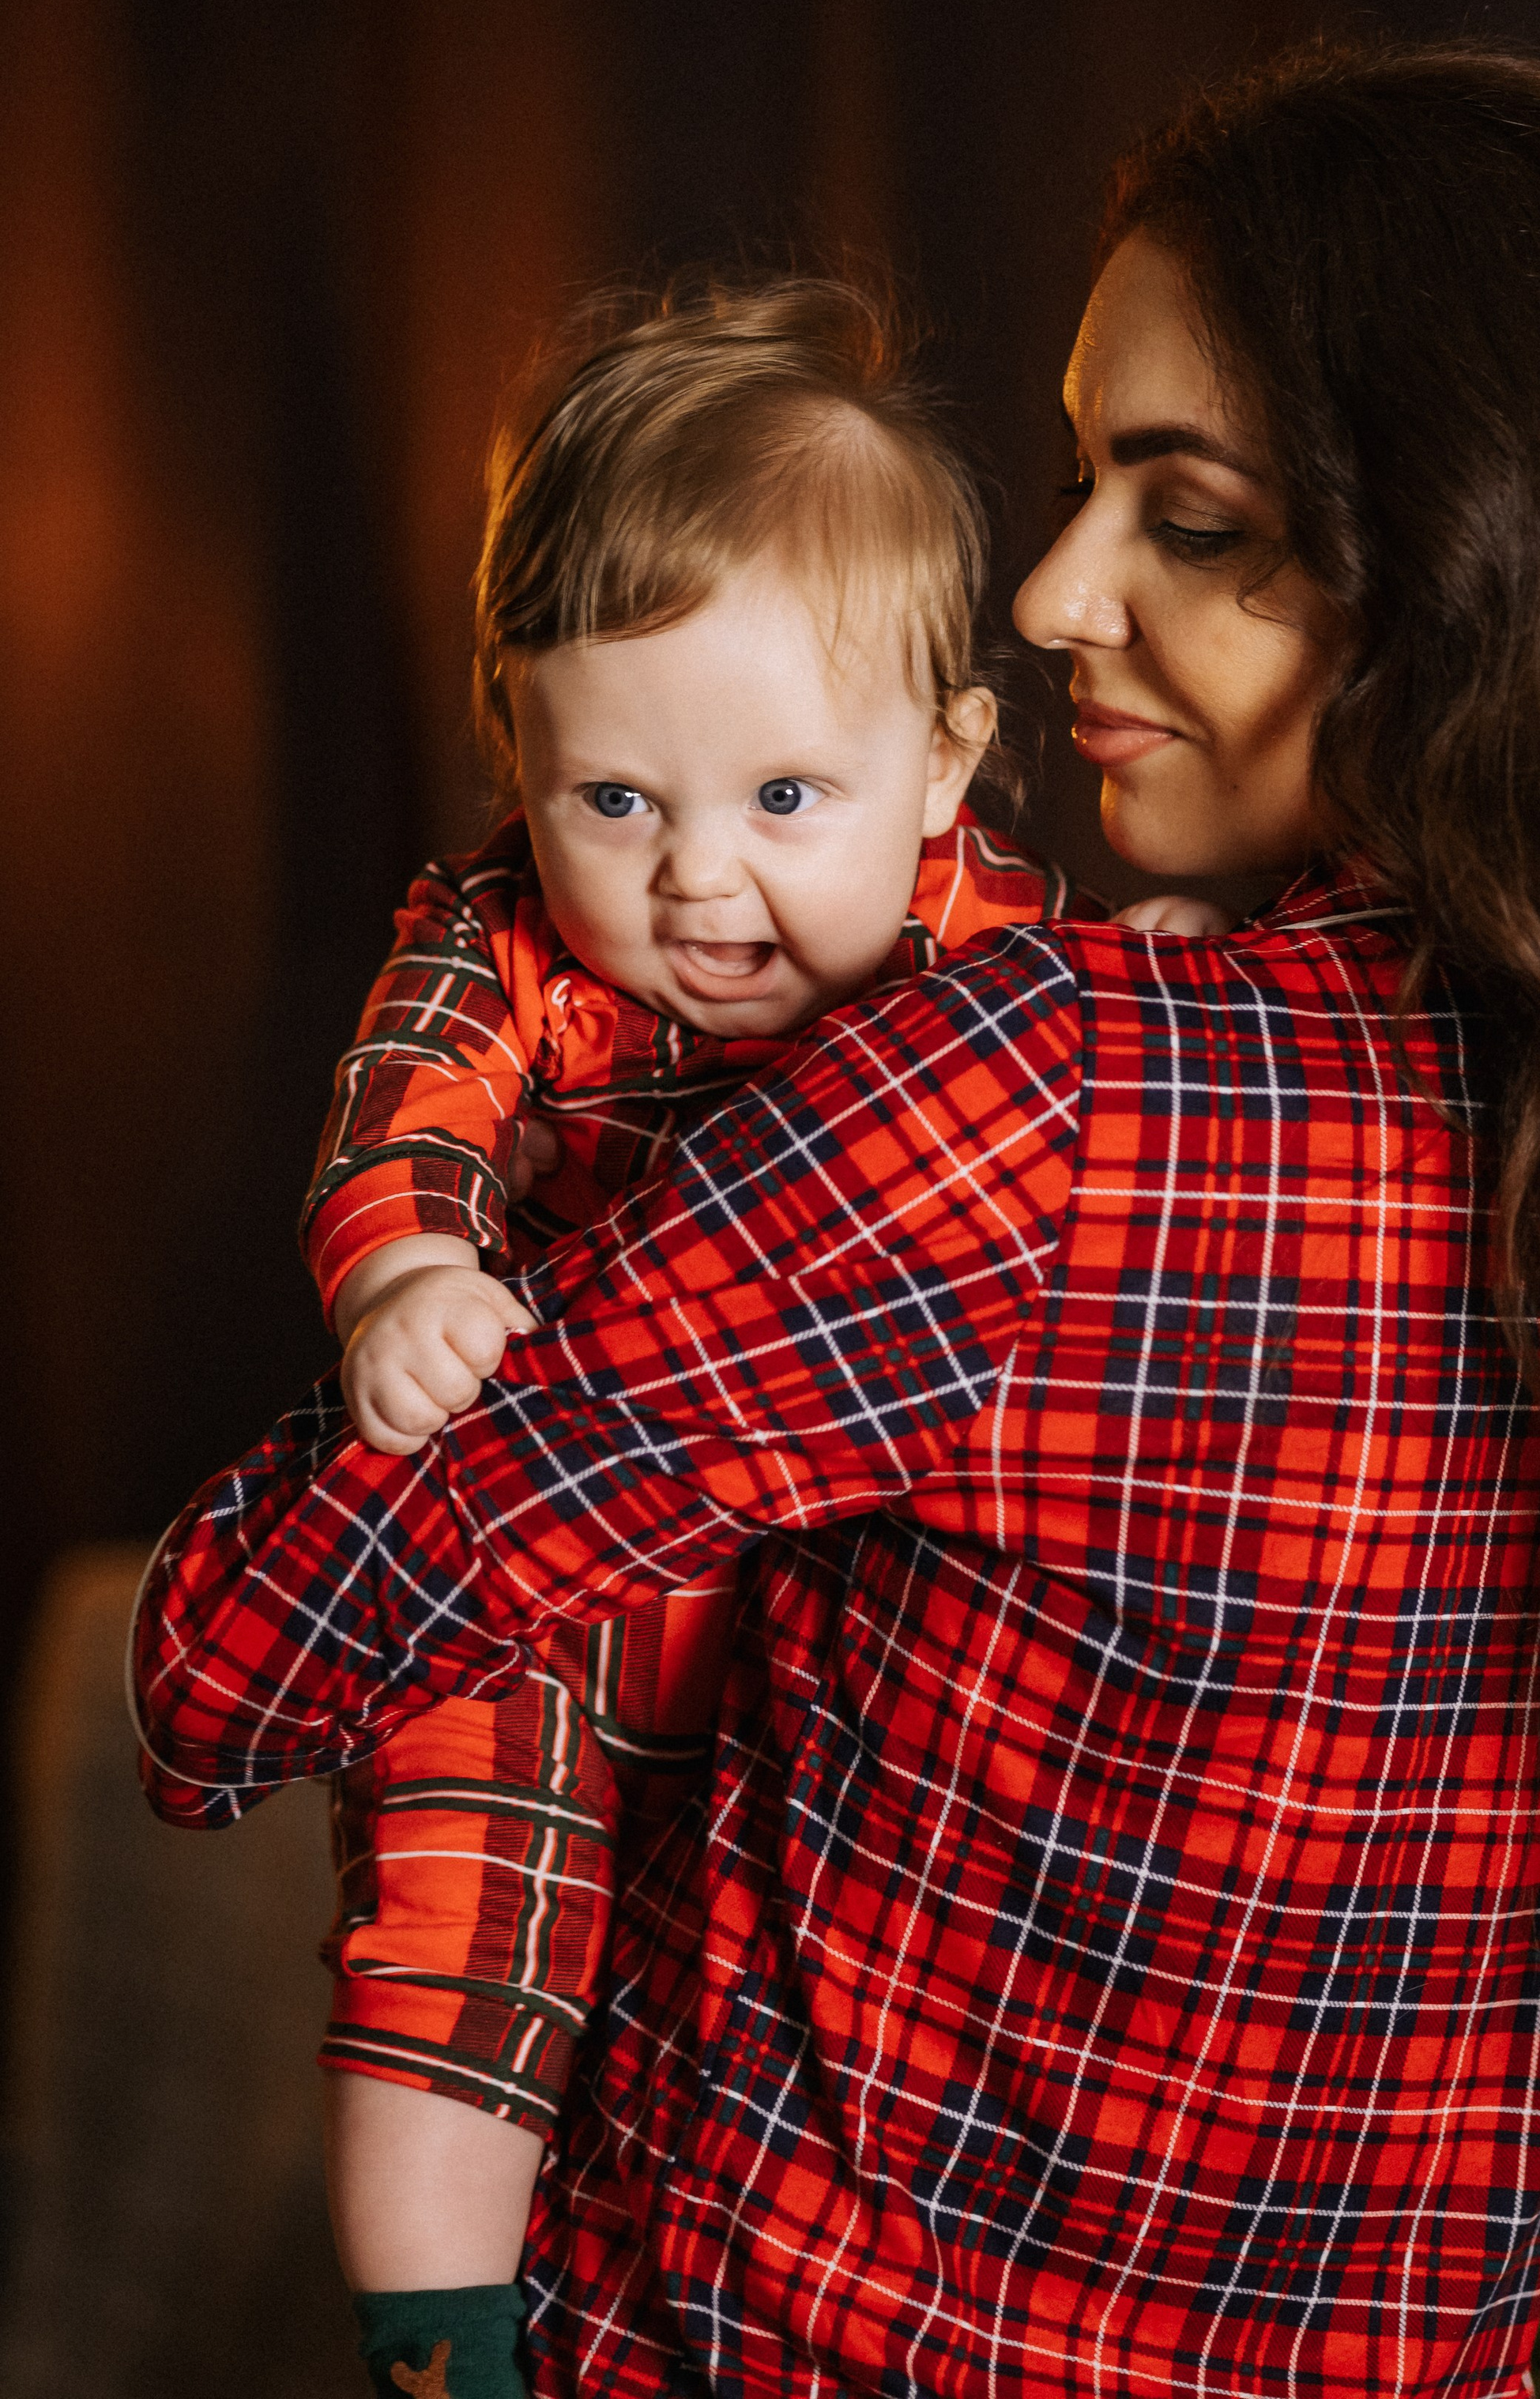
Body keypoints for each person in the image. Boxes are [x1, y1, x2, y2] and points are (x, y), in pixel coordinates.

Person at [133, 41, 1540, 2397]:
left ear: (1470, 572)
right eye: (1069, 483)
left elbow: (230, 1663)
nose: (1044, 598)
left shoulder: (1037, 1091)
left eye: (1187, 516)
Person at [301, 275, 1154, 2396]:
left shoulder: (1004, 967)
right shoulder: (503, 942)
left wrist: (1180, 975)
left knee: (779, 1999)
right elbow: (407, 1106)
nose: (695, 881)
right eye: (618, 801)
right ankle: (435, 2353)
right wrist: (407, 1273)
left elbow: (1120, 1079)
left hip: (813, 1623)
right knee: (448, 1965)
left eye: (785, 800)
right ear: (518, 742)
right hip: (537, 1613)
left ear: (948, 766)